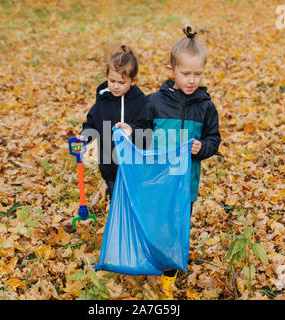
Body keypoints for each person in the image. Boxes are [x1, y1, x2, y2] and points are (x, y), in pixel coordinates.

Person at [115, 24, 221, 298]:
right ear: (171, 70)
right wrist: (130, 132)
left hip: (185, 181)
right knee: (157, 219)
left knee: (178, 223)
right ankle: (149, 257)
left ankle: (169, 272)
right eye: (185, 73)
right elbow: (143, 132)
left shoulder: (205, 107)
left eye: (198, 74)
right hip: (157, 178)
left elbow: (214, 139)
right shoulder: (154, 103)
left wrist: (203, 148)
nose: (192, 80)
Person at [77, 45, 146, 201]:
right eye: (111, 81)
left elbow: (145, 126)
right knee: (116, 199)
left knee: (133, 200)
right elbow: (91, 124)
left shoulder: (140, 102)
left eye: (121, 83)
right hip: (109, 164)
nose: (115, 86)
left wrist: (132, 129)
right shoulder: (103, 100)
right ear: (106, 76)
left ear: (133, 81)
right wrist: (84, 137)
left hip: (133, 165)